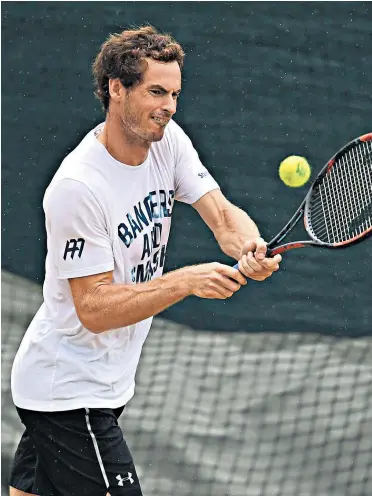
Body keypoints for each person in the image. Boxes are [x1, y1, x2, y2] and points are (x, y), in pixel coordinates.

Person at [9, 25, 281, 496]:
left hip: (100, 382)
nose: (169, 107)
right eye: (157, 92)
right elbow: (93, 309)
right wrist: (186, 281)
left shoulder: (168, 142)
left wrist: (248, 247)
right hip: (70, 390)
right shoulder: (79, 187)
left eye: (175, 94)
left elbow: (220, 215)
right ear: (117, 88)